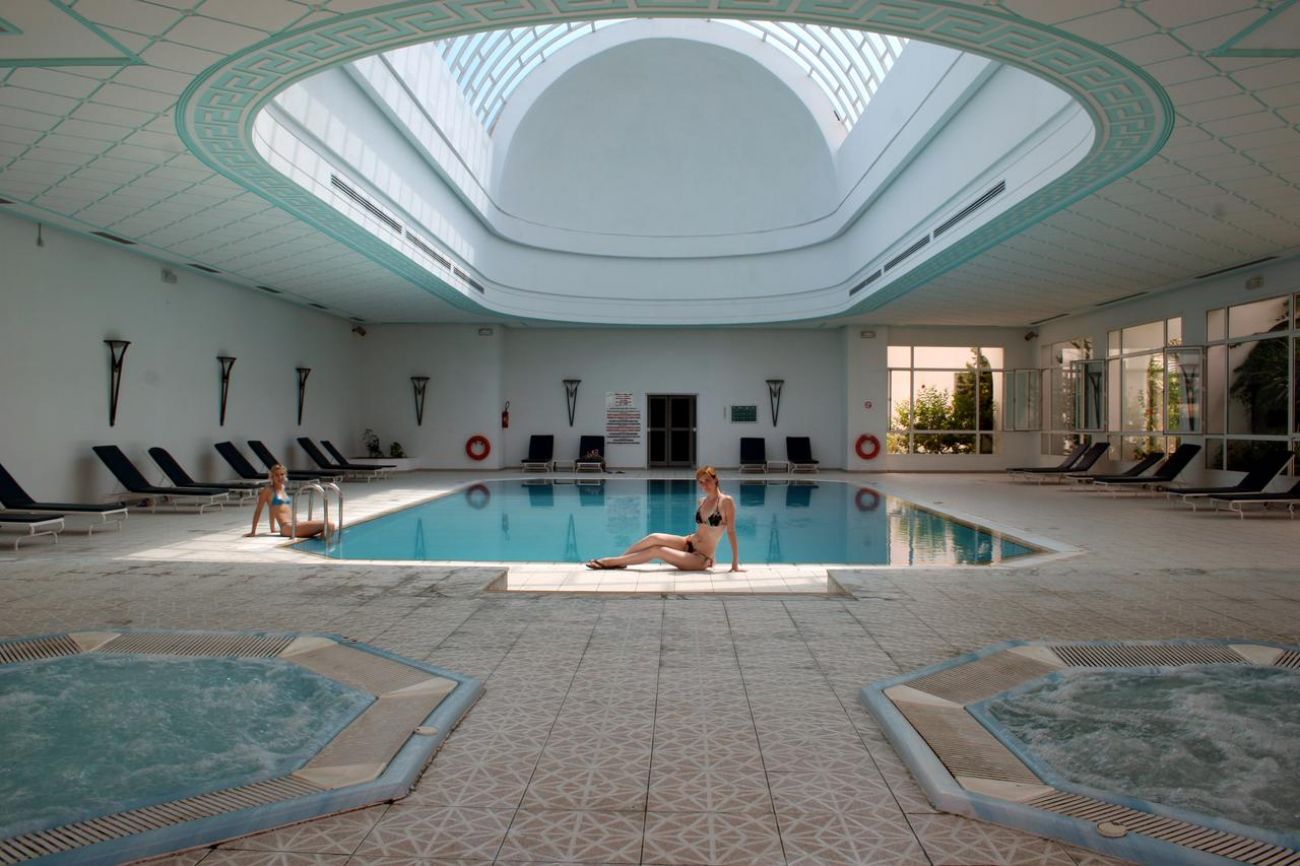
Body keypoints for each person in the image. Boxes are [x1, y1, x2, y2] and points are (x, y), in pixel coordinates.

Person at [587, 466, 741, 572]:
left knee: (657, 550)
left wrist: (734, 563)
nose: (704, 485)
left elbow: (731, 532)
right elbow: (705, 531)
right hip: (688, 542)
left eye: (707, 480)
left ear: (715, 479)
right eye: (701, 482)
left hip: (700, 557)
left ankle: (610, 562)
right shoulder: (703, 501)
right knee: (654, 537)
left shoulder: (726, 501)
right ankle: (621, 561)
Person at [245, 464, 335, 538]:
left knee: (329, 528)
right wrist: (253, 531)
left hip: (296, 524)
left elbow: (273, 507)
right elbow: (258, 510)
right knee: (329, 525)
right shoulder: (268, 490)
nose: (280, 477)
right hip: (288, 527)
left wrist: (272, 528)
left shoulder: (282, 487)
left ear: (285, 475)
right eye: (276, 475)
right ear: (272, 476)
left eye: (282, 474)